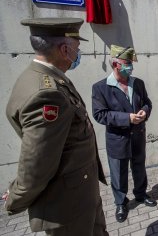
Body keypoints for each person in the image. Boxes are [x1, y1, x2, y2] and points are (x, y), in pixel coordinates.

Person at [4, 18, 108, 235]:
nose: (78, 54)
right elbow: (38, 160)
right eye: (77, 49)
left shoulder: (51, 78)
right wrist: (16, 196)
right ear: (65, 49)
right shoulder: (46, 93)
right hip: (69, 205)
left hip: (81, 193)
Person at [92, 45, 156, 223]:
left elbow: (147, 102)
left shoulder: (138, 83)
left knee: (139, 168)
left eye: (131, 63)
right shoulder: (100, 88)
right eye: (127, 63)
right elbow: (100, 114)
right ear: (116, 64)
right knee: (118, 172)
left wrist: (144, 111)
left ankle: (141, 194)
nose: (130, 67)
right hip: (117, 139)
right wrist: (127, 118)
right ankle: (121, 202)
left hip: (137, 136)